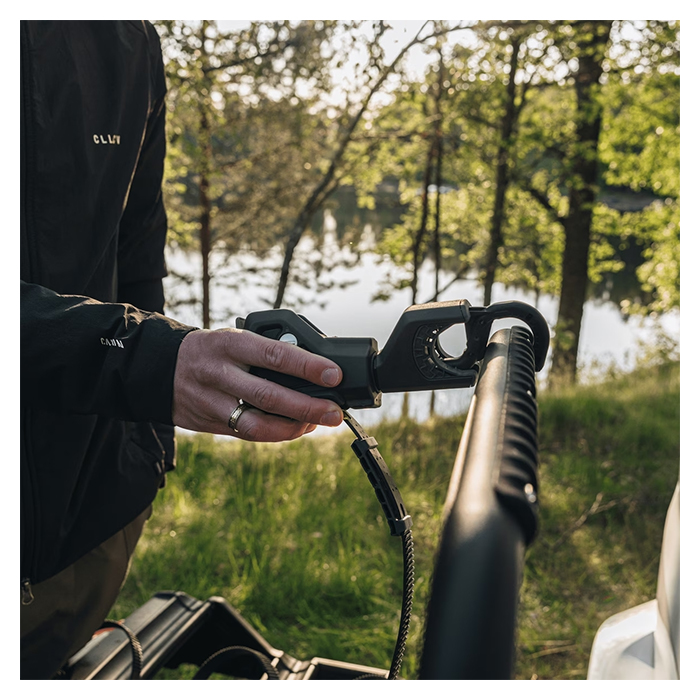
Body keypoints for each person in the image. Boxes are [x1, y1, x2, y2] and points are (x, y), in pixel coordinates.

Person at [20, 20, 344, 680]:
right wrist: (143, 359)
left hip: (95, 514)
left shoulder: (129, 39)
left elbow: (138, 249)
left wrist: (148, 443)